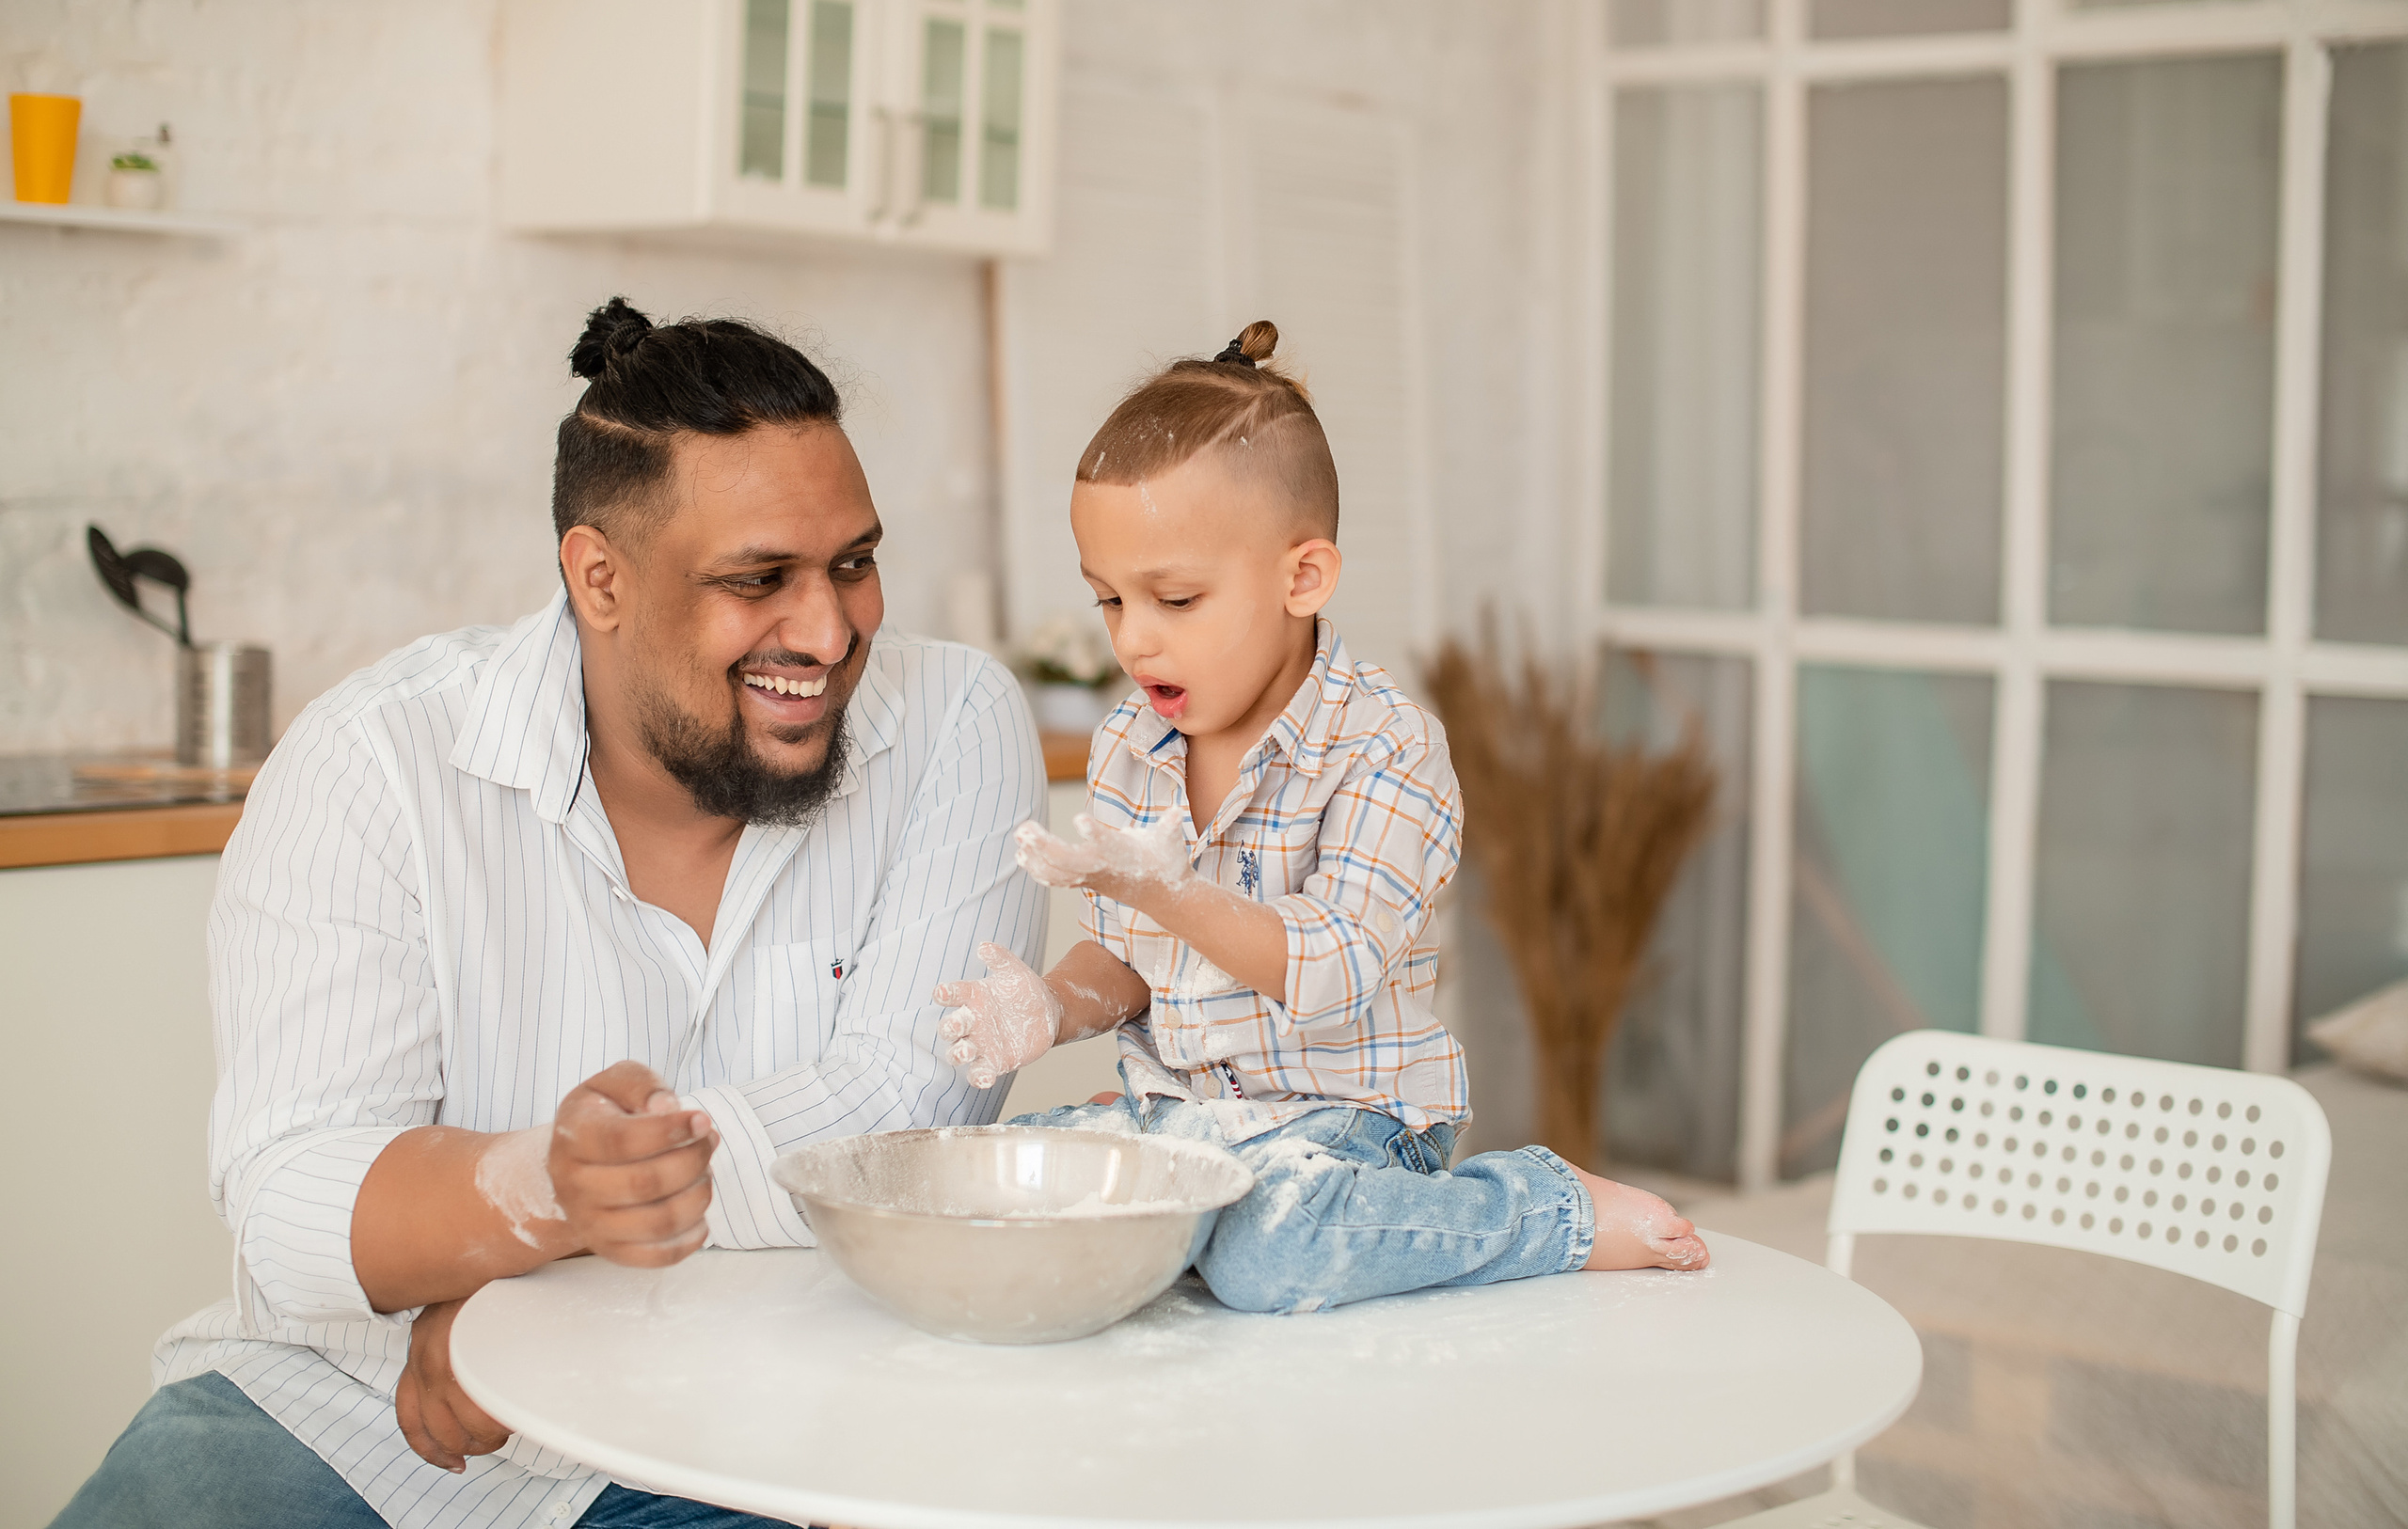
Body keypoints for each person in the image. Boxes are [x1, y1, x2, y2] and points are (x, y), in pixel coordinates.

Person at [53, 300, 1045, 1528]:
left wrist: (521, 1273)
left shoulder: (953, 723)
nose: (832, 629)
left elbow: (902, 1120)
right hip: (355, 1412)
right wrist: (540, 1188)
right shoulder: (374, 762)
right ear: (600, 576)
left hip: (740, 1433)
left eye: (853, 560)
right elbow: (290, 1192)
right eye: (759, 578)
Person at [933, 321, 1707, 1315]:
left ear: (1302, 578)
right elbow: (1130, 957)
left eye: (1174, 598)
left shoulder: (1388, 749)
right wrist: (1048, 1008)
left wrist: (1167, 888)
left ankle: (1542, 1209)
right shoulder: (1134, 741)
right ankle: (1192, 1221)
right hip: (1186, 1115)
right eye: (1108, 601)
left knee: (1272, 1254)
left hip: (1349, 1122)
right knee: (989, 1178)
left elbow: (1330, 971)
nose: (1134, 640)